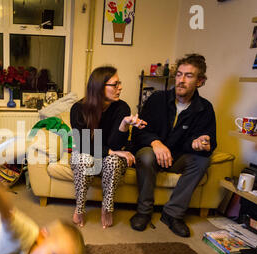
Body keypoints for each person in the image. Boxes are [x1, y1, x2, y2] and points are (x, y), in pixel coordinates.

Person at [130, 54, 217, 238]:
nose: (181, 80)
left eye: (189, 76)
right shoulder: (157, 99)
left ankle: (172, 214)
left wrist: (201, 143)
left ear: (200, 81)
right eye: (179, 74)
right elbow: (138, 132)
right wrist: (156, 143)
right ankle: (144, 211)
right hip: (152, 154)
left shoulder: (205, 108)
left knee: (202, 161)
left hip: (179, 157)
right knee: (146, 155)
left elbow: (210, 142)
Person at [69, 66, 146, 229]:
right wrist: (111, 151)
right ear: (99, 87)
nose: (120, 87)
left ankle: (107, 208)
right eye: (115, 84)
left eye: (120, 83)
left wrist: (124, 125)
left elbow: (116, 145)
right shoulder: (78, 109)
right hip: (87, 153)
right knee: (83, 159)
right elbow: (82, 144)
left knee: (114, 161)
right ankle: (80, 207)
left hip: (108, 158)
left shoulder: (122, 108)